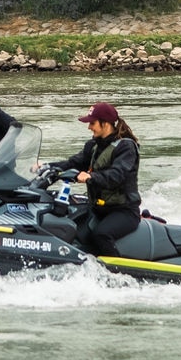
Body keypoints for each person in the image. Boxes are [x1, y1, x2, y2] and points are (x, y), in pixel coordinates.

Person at [48, 101, 141, 256]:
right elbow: (73, 163)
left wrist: (90, 176)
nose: (89, 127)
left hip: (124, 211)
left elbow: (116, 175)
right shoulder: (93, 145)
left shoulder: (126, 147)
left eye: (92, 123)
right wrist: (47, 167)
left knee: (101, 235)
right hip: (98, 208)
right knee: (74, 228)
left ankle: (116, 274)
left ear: (105, 124)